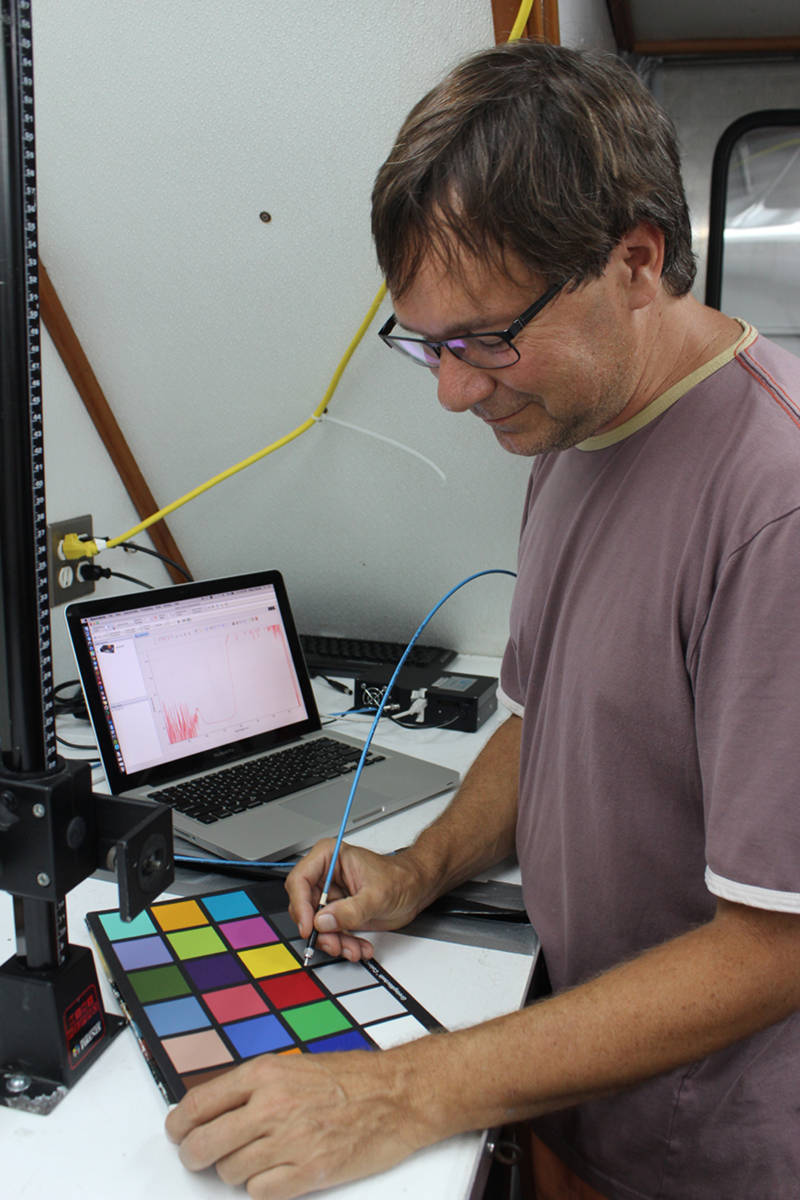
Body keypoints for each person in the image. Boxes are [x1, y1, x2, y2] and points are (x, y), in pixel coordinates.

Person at [165, 41, 800, 1199]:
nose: (453, 391)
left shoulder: (774, 507)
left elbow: (775, 946)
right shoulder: (570, 423)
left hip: (711, 1148)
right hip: (576, 1081)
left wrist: (403, 1089)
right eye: (425, 343)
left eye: (483, 340)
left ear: (634, 262)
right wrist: (416, 868)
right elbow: (541, 719)